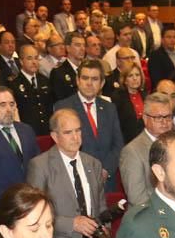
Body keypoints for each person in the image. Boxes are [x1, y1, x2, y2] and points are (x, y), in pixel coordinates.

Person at [26, 108, 104, 238]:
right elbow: (34, 214)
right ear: (54, 137)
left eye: (78, 130)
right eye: (68, 132)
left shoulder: (93, 164)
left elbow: (100, 204)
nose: (75, 137)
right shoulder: (40, 166)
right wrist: (71, 224)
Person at [52, 59, 123, 192]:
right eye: (85, 78)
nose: (89, 83)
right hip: (77, 178)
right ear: (77, 80)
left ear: (102, 83)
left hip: (106, 180)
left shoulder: (109, 108)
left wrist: (106, 169)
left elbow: (118, 144)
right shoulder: (63, 107)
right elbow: (62, 146)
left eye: (95, 79)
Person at [120, 92, 175, 206]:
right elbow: (137, 199)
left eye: (168, 117)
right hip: (148, 216)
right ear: (145, 118)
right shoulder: (132, 151)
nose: (165, 122)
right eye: (158, 117)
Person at [10, 45, 52, 136]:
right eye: (29, 58)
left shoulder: (44, 80)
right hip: (27, 133)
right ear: (21, 61)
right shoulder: (14, 84)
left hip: (47, 131)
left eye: (36, 58)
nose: (34, 62)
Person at [112, 63, 145, 142]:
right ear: (125, 80)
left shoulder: (145, 95)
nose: (135, 78)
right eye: (130, 76)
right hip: (127, 139)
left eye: (137, 75)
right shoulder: (118, 97)